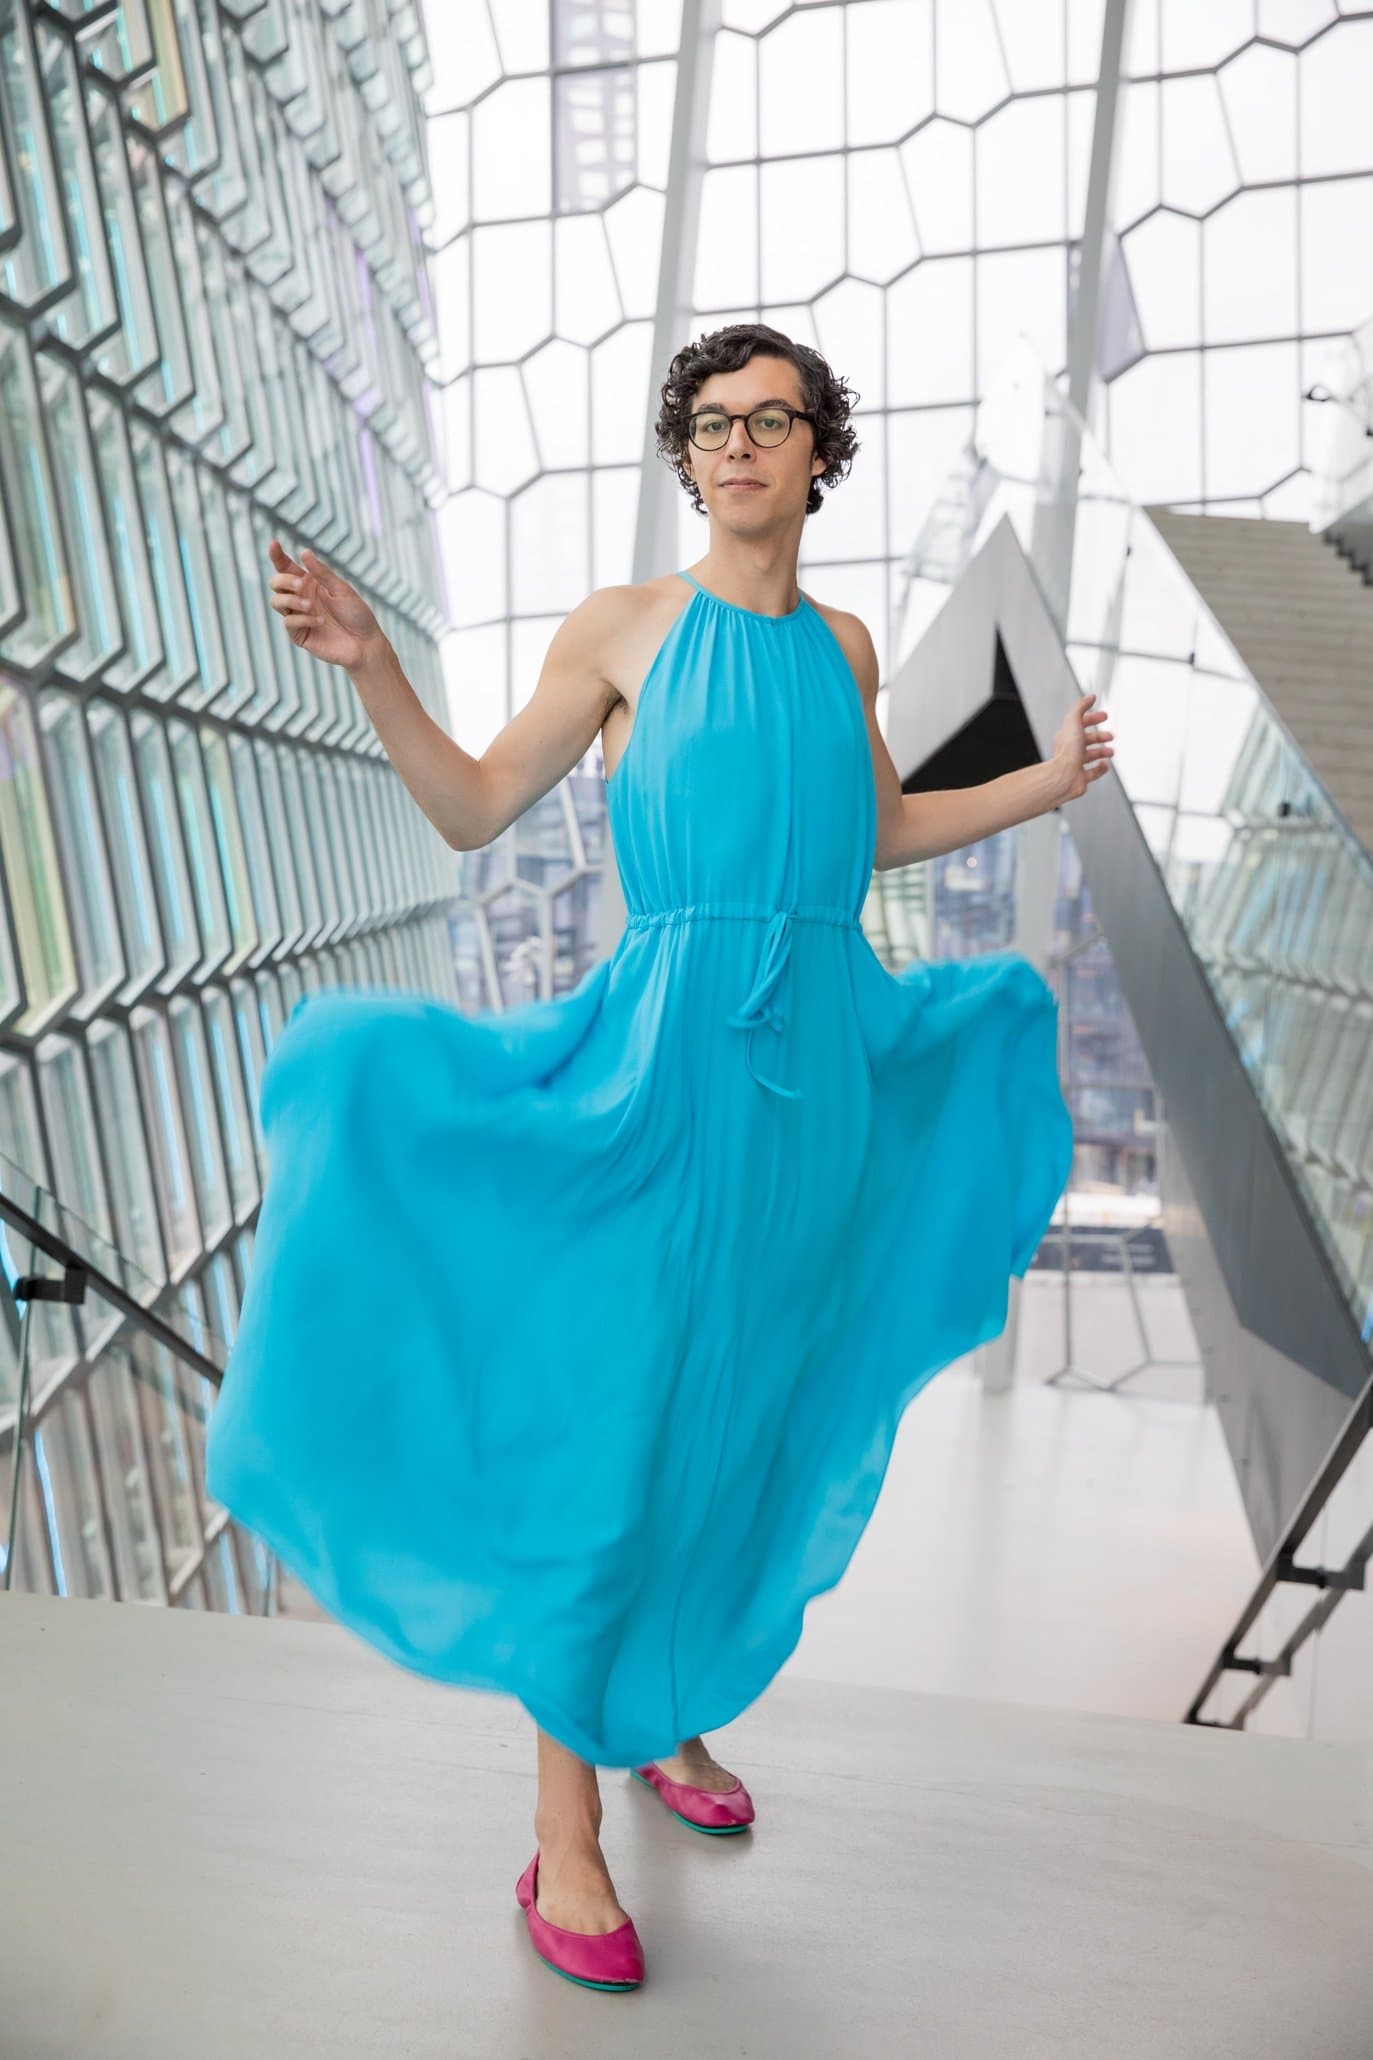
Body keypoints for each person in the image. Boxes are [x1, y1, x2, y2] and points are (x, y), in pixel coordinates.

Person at [205, 322, 1110, 1994]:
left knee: (746, 1418)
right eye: (710, 424)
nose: (739, 446)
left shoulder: (839, 645)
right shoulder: (625, 632)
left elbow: (883, 831)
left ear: (816, 453)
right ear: (683, 456)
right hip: (660, 1077)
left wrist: (1040, 787)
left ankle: (668, 1709)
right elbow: (476, 808)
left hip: (811, 1095)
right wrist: (367, 665)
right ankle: (563, 1834)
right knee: (615, 1431)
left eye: (771, 421)